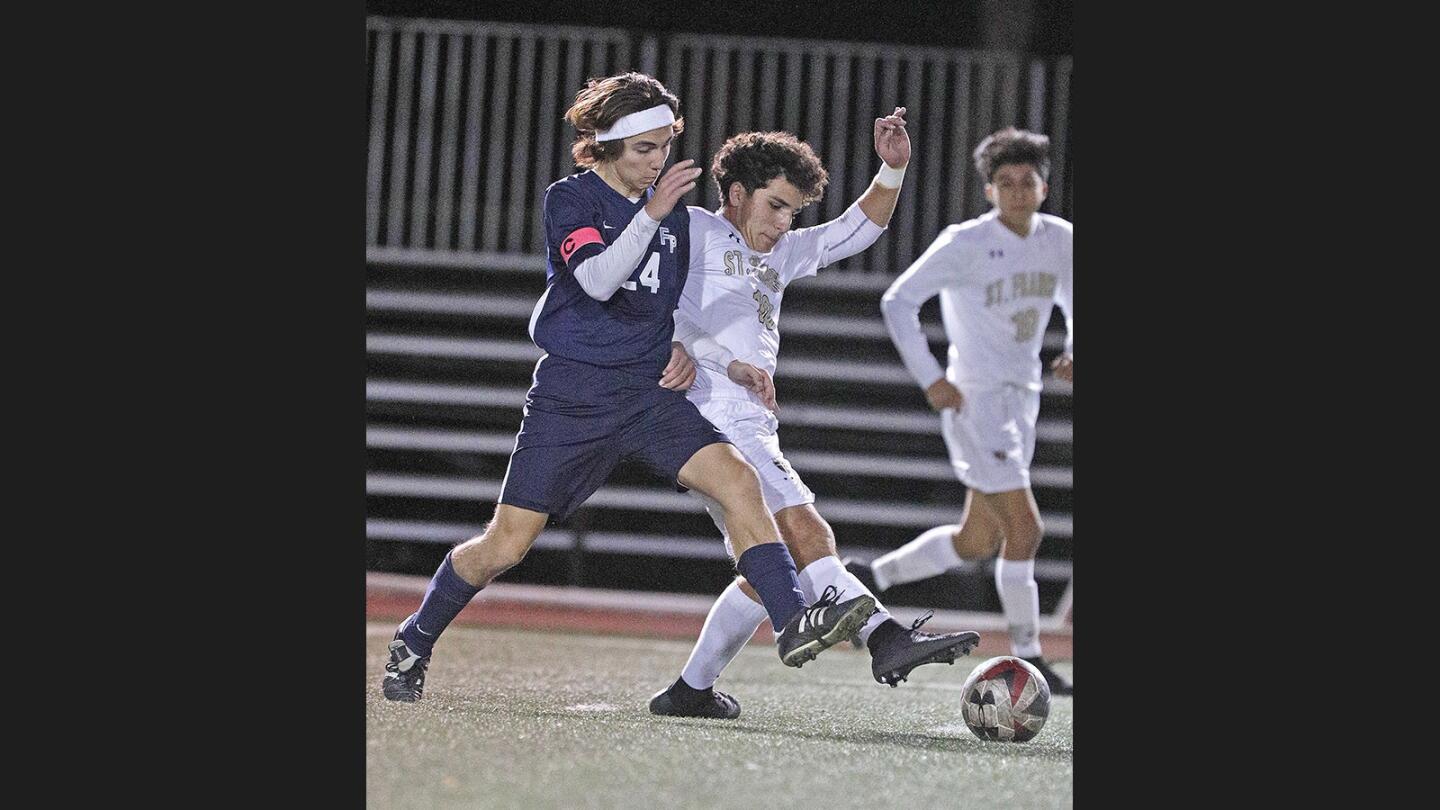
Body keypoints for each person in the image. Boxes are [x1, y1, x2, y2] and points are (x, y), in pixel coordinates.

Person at [382, 72, 876, 702]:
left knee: (739, 479)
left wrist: (708, 355)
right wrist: (651, 215)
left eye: (664, 146)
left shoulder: (672, 218)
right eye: (644, 149)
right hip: (575, 396)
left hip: (648, 394)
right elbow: (596, 282)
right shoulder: (575, 200)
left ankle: (791, 621)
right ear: (607, 144)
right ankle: (416, 635)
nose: (657, 161)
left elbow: (673, 311)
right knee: (504, 546)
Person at [647, 109, 981, 720]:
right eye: (774, 206)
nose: (783, 223)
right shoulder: (690, 228)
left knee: (764, 561)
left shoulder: (784, 250)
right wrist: (689, 347)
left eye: (792, 212)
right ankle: (885, 638)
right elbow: (650, 302)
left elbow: (856, 230)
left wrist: (893, 168)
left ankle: (689, 690)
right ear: (739, 194)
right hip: (707, 414)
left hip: (746, 419)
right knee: (807, 532)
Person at [847, 127, 1073, 695]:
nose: (1018, 192)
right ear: (989, 190)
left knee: (976, 541)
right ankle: (1029, 658)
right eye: (1006, 183)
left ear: (1044, 187)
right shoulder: (965, 243)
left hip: (1022, 398)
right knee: (1026, 528)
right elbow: (897, 300)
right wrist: (932, 379)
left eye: (1027, 181)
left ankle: (869, 578)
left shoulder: (1059, 239)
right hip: (975, 402)